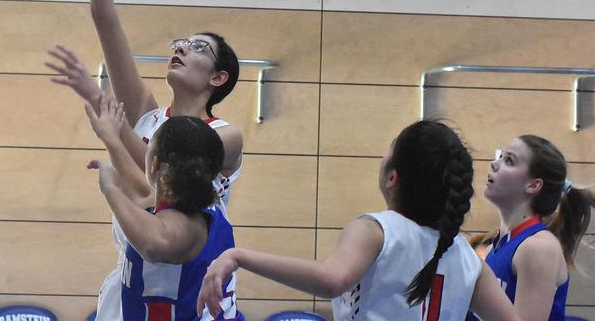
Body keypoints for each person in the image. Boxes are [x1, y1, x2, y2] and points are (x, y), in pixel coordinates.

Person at [46, 0, 244, 319]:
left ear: (218, 78)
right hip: (136, 281)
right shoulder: (148, 116)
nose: (180, 48)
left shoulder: (226, 134)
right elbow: (103, 13)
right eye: (180, 43)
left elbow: (164, 166)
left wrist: (115, 134)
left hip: (193, 284)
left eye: (197, 48)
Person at [198, 121, 521, 321]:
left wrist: (239, 256)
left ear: (393, 176)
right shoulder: (466, 255)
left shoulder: (375, 229)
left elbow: (330, 280)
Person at [85, 94, 243, 320]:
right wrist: (110, 138)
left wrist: (110, 189)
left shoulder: (181, 227)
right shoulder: (196, 203)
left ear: (155, 162)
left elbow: (154, 245)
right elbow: (141, 191)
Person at [474, 134, 595, 320]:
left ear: (533, 185)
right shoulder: (494, 246)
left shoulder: (537, 248)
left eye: (509, 160)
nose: (494, 164)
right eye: (500, 156)